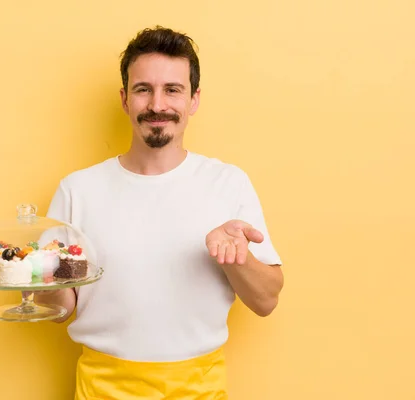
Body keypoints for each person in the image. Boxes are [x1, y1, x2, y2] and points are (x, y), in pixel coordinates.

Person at [34, 26, 284, 399]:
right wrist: (40, 272)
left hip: (199, 390)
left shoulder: (227, 183)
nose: (157, 105)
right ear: (124, 99)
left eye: (172, 90)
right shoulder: (78, 189)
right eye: (143, 89)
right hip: (101, 388)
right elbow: (60, 309)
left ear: (194, 99)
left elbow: (266, 301)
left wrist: (237, 257)